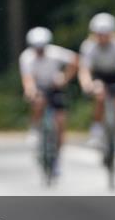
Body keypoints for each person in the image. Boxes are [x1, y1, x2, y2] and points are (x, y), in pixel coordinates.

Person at [79, 13, 115, 171]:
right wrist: (87, 84)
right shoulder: (88, 46)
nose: (102, 38)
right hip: (99, 76)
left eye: (105, 34)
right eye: (99, 34)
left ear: (112, 33)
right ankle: (97, 130)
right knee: (100, 93)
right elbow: (85, 70)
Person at [18, 27, 78, 174]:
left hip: (54, 86)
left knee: (61, 122)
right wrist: (30, 90)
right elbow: (27, 79)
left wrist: (65, 78)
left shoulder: (55, 52)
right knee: (38, 101)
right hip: (38, 86)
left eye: (42, 47)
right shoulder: (26, 57)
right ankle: (35, 129)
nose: (39, 51)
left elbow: (75, 60)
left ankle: (57, 158)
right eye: (37, 48)